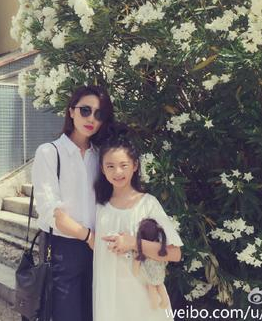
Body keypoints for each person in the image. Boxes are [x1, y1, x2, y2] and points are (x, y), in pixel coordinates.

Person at [32, 85, 114, 321]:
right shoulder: (49, 152)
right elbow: (51, 212)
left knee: (95, 313)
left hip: (98, 249)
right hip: (63, 249)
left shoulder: (100, 156)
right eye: (85, 110)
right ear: (71, 111)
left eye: (99, 114)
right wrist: (88, 236)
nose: (91, 119)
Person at [93, 127, 183, 321]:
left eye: (123, 165)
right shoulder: (100, 207)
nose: (117, 172)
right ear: (102, 168)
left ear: (135, 166)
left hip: (144, 301)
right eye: (110, 166)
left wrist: (134, 243)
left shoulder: (148, 204)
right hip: (110, 300)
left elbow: (175, 253)